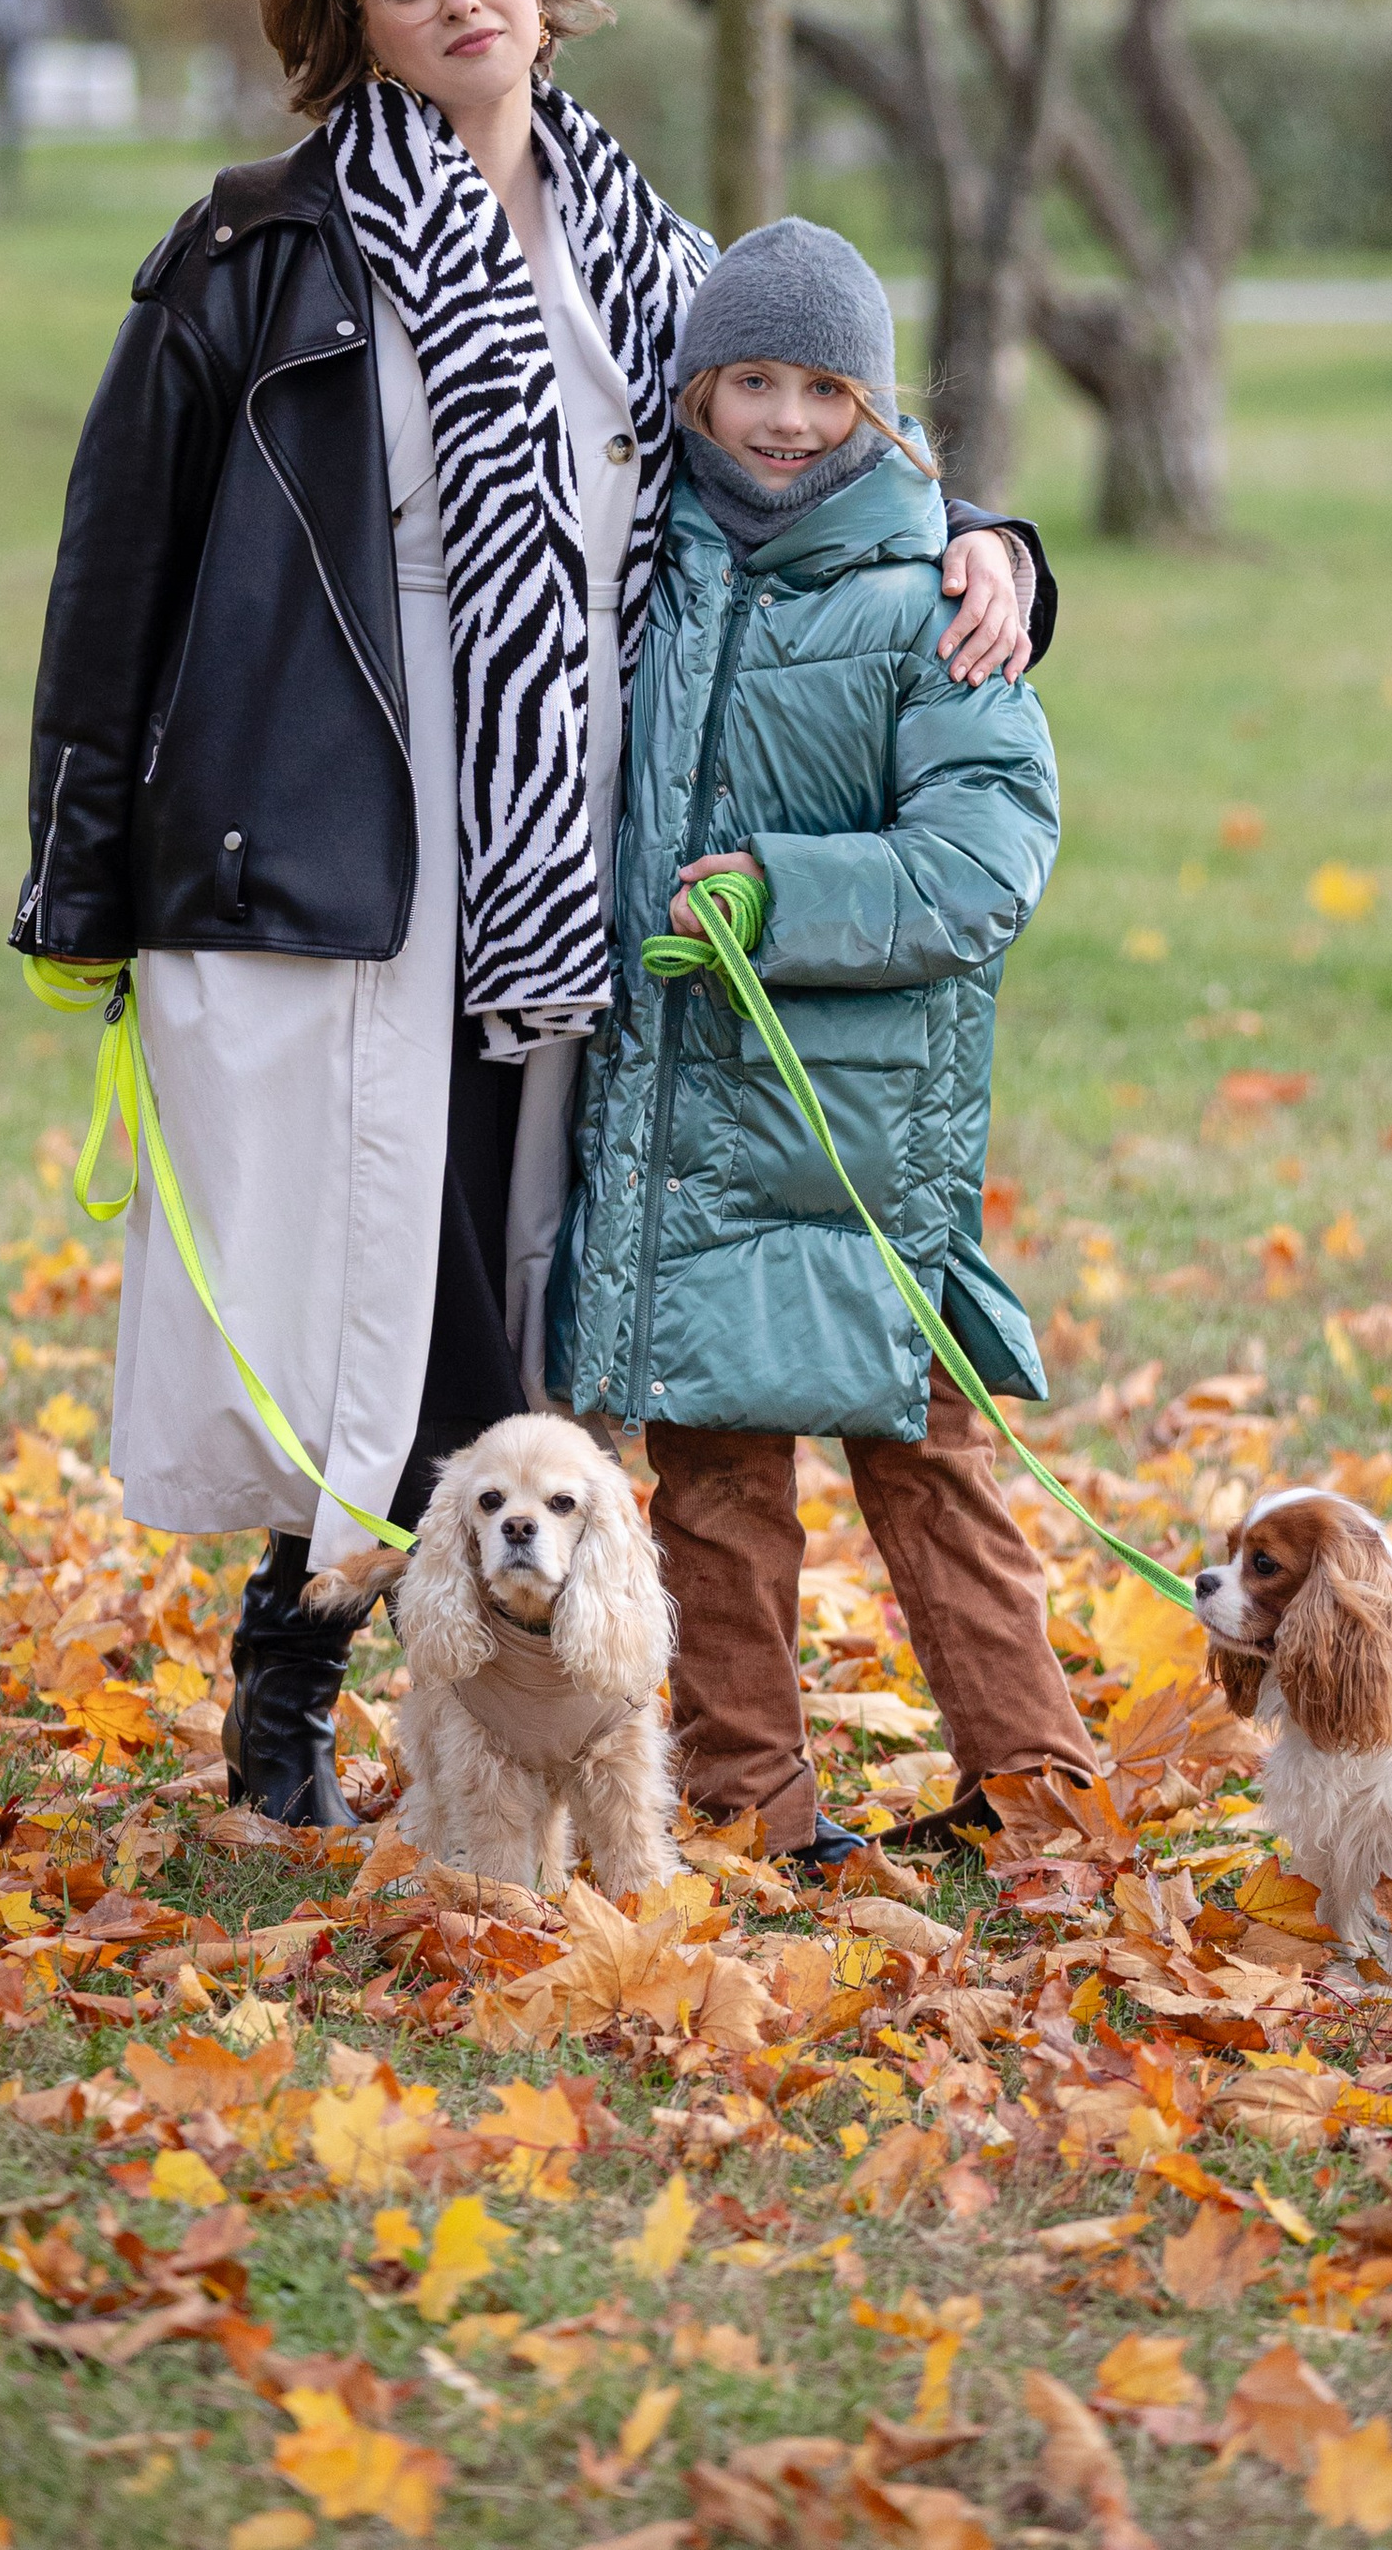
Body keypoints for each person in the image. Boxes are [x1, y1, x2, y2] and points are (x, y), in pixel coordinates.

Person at [9, 0, 1051, 1828]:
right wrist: (80, 876)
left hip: (577, 824)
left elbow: (811, 436)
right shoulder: (259, 251)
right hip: (343, 820)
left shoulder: (641, 251)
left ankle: (549, 1747)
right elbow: (115, 573)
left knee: (511, 1286)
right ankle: (287, 1705)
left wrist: (992, 541)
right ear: (356, 31)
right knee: (369, 1286)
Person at [551, 217, 1096, 1866]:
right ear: (700, 389)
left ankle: (1043, 1799)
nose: (786, 420)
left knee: (928, 1468)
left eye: (824, 388)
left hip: (864, 1130)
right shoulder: (652, 557)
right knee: (713, 1487)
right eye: (754, 383)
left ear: (876, 401)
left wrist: (781, 892)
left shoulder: (933, 589)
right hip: (692, 1126)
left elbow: (986, 856)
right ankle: (747, 1808)